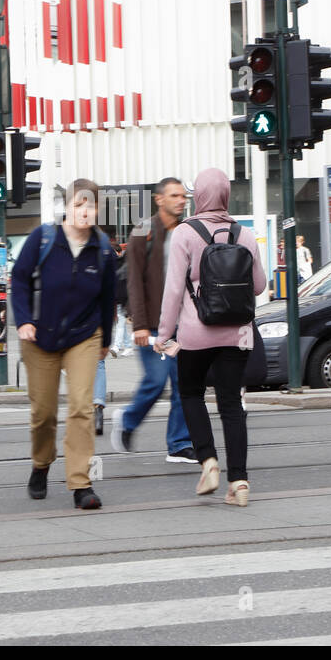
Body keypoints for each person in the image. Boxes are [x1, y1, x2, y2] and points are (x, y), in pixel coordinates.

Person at [156, 168, 267, 507]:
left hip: (195, 334)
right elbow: (260, 286)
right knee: (232, 405)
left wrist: (163, 333)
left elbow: (174, 288)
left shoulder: (185, 234)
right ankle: (240, 482)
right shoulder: (244, 234)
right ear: (226, 195)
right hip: (236, 335)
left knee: (190, 393)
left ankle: (208, 461)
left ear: (199, 195)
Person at [12, 179, 116, 510]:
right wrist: (25, 319)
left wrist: (106, 341)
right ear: (67, 207)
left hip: (84, 335)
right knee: (43, 413)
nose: (84, 211)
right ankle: (41, 464)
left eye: (91, 205)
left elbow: (108, 297)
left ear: (98, 210)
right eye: (79, 205)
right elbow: (18, 281)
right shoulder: (42, 239)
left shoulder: (101, 248)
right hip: (40, 336)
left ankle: (80, 484)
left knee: (82, 406)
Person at [111, 176, 195, 464]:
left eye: (183, 196)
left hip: (183, 324)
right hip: (154, 323)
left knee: (184, 383)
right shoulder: (144, 229)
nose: (181, 200)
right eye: (174, 195)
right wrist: (139, 323)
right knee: (157, 381)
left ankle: (179, 444)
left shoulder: (187, 230)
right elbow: (133, 279)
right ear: (159, 199)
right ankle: (128, 420)